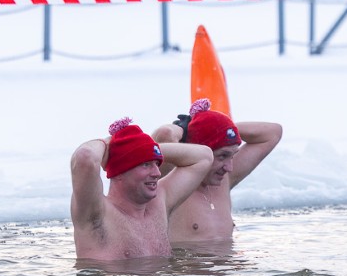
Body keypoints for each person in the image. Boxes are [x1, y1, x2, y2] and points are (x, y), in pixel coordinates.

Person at [71, 116, 213, 261]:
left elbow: (204, 157)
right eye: (146, 165)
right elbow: (85, 157)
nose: (157, 173)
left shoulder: (160, 203)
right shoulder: (96, 213)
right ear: (120, 172)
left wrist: (148, 148)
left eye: (156, 164)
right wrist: (109, 143)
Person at [152, 99, 282, 243]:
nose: (229, 167)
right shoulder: (172, 183)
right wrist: (188, 129)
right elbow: (165, 134)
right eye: (222, 156)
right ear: (198, 152)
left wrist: (220, 127)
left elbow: (272, 133)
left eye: (232, 156)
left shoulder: (225, 179)